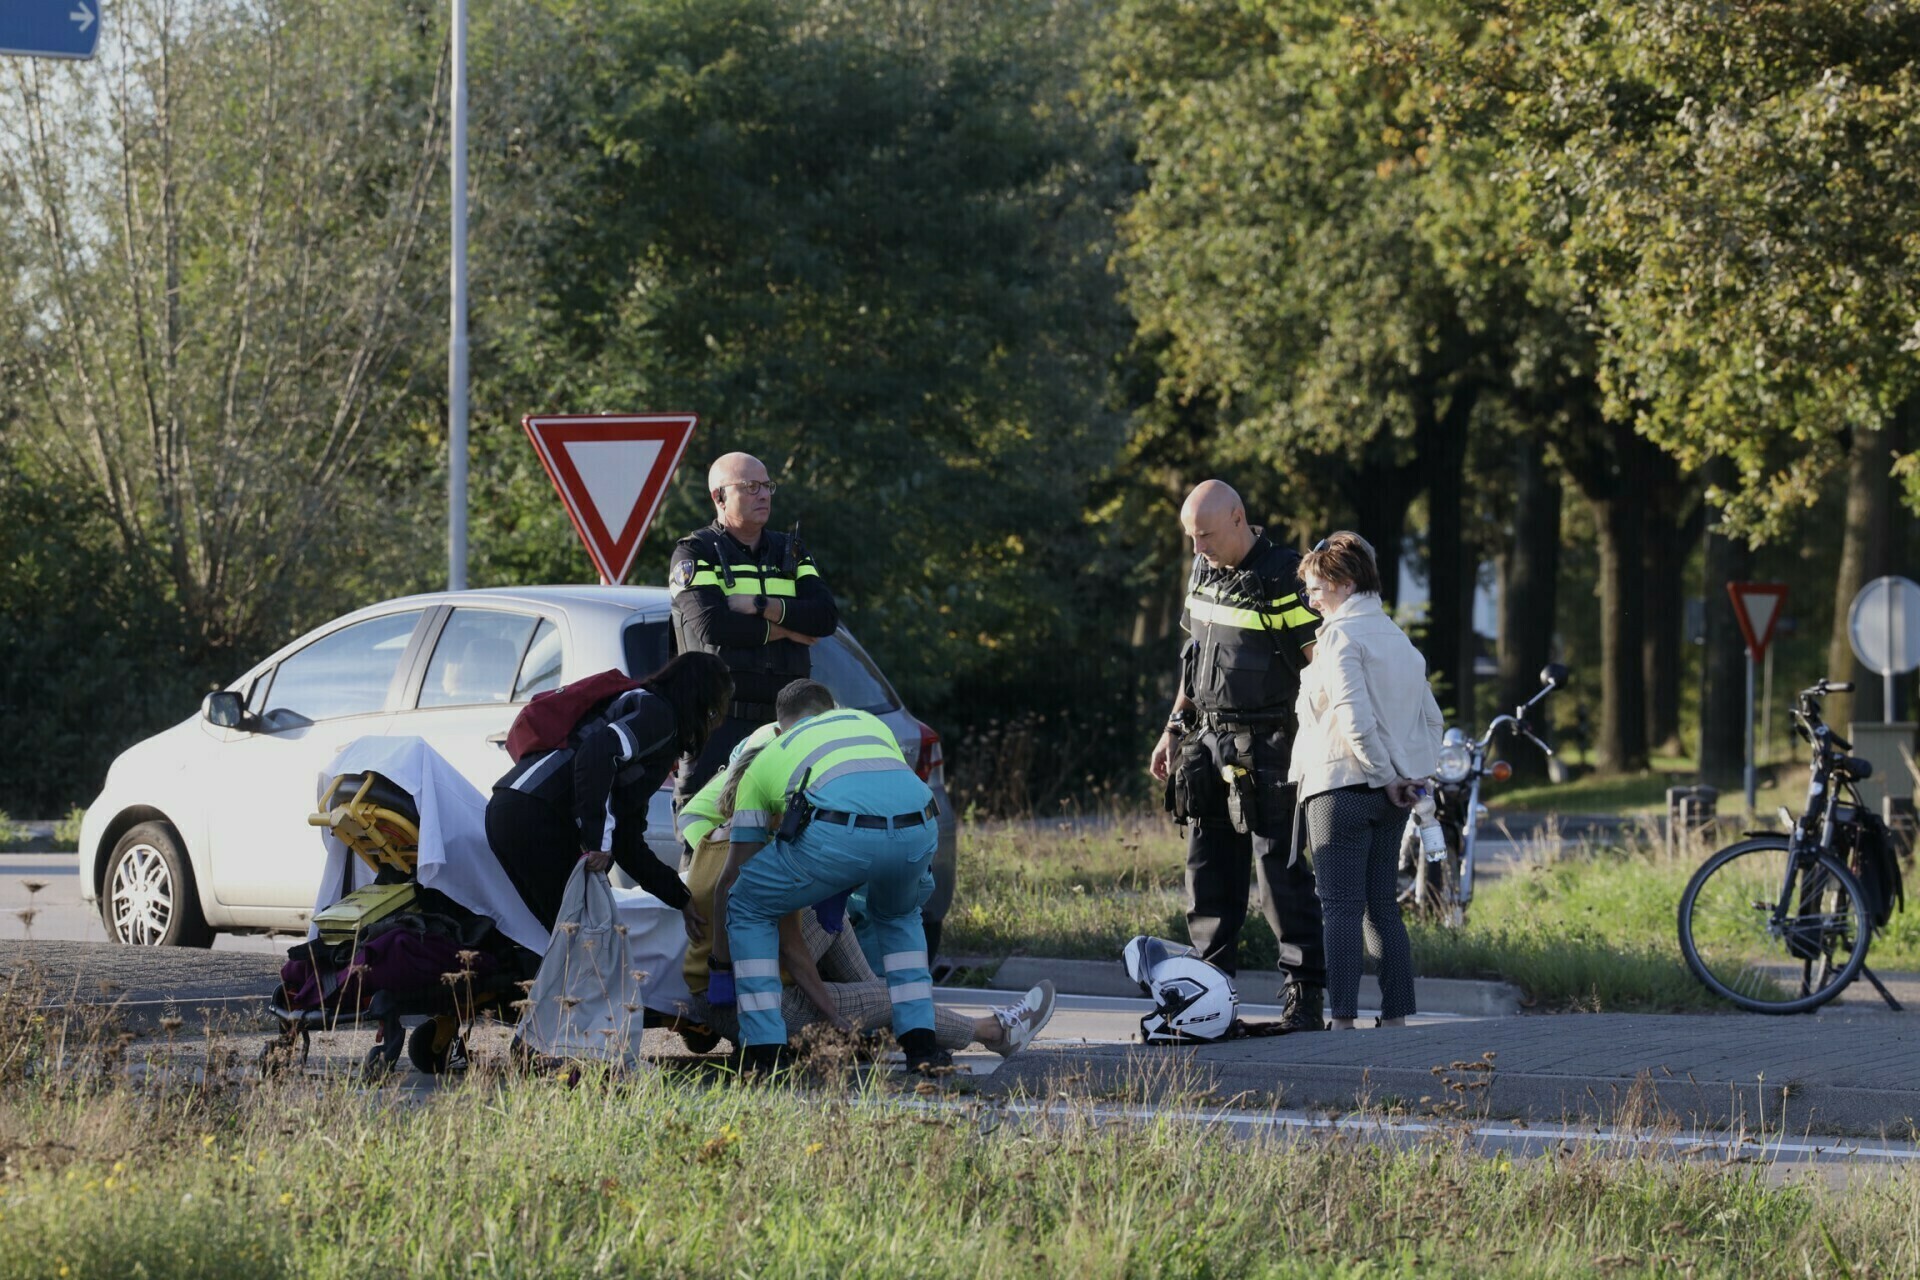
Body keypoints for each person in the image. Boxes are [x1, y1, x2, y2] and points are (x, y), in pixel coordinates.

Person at [676, 715, 1055, 1060]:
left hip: (711, 995)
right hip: (758, 1004)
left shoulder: (713, 839)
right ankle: (993, 1031)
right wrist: (836, 1017)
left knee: (834, 923)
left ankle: (873, 1011)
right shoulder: (764, 856)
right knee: (896, 996)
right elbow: (791, 951)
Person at [1147, 480, 1326, 1033]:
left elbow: (1321, 667)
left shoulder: (1284, 577)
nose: (1197, 547)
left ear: (1238, 518)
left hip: (1271, 746)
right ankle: (1207, 997)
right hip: (1206, 743)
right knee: (1207, 875)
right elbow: (1193, 661)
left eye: (1205, 535)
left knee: (1281, 876)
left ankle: (1304, 998)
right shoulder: (1202, 572)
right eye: (1190, 537)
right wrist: (1172, 727)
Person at [712, 679, 944, 1072]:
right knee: (900, 917)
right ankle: (922, 1048)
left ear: (780, 727)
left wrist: (720, 965)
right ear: (833, 711)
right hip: (919, 826)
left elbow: (736, 871)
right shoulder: (868, 724)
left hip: (838, 835)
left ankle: (764, 1051)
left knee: (749, 905)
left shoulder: (772, 754)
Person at [1289, 532, 1443, 1031]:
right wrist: (1410, 776)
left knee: (1339, 908)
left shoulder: (1339, 637)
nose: (1311, 598)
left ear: (1345, 584)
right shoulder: (1401, 641)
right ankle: (1396, 1019)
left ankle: (1342, 1022)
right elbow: (1433, 720)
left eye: (1316, 588)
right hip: (1392, 795)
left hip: (1340, 787)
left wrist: (1383, 774)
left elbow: (1353, 719)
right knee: (1383, 909)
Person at [484, 652, 731, 932]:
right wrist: (596, 840)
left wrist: (681, 898)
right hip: (535, 814)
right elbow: (597, 752)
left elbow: (627, 841)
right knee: (584, 936)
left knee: (566, 936)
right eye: (715, 713)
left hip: (513, 808)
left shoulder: (649, 725)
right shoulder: (659, 716)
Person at [669, 451, 838, 820]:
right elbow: (714, 627)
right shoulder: (695, 552)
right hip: (718, 722)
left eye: (767, 486)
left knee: (787, 831)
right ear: (719, 497)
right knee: (705, 830)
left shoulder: (791, 550)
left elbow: (825, 618)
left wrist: (761, 605)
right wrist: (788, 629)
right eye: (750, 487)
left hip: (786, 722)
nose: (763, 495)